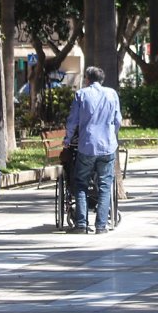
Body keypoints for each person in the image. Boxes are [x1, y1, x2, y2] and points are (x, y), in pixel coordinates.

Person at [64, 66, 123, 234]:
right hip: (107, 146)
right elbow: (117, 120)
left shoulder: (81, 94)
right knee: (105, 184)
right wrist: (112, 135)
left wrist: (68, 140)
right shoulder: (112, 94)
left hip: (87, 145)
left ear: (87, 79)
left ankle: (81, 224)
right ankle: (101, 225)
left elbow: (72, 121)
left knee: (81, 183)